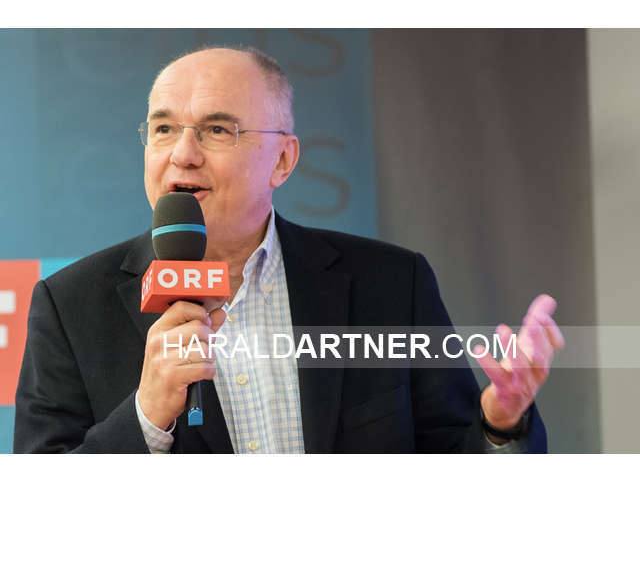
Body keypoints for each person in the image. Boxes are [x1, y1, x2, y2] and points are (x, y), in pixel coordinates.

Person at [14, 46, 564, 454]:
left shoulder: (392, 284)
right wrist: (146, 418)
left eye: (217, 130)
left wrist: (500, 423)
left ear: (282, 161)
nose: (182, 154)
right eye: (163, 129)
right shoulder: (71, 307)